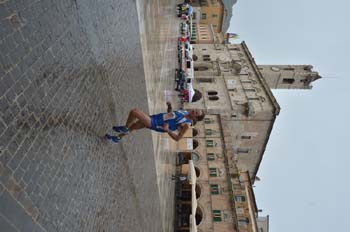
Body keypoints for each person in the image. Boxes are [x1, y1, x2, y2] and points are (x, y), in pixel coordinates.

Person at [105, 102, 205, 143]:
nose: (194, 110)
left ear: (195, 118)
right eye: (195, 109)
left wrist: (168, 130)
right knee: (135, 126)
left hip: (158, 124)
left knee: (134, 112)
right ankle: (118, 138)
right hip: (158, 117)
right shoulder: (185, 111)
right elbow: (171, 115)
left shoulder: (187, 124)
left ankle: (125, 127)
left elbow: (178, 138)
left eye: (196, 113)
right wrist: (169, 107)